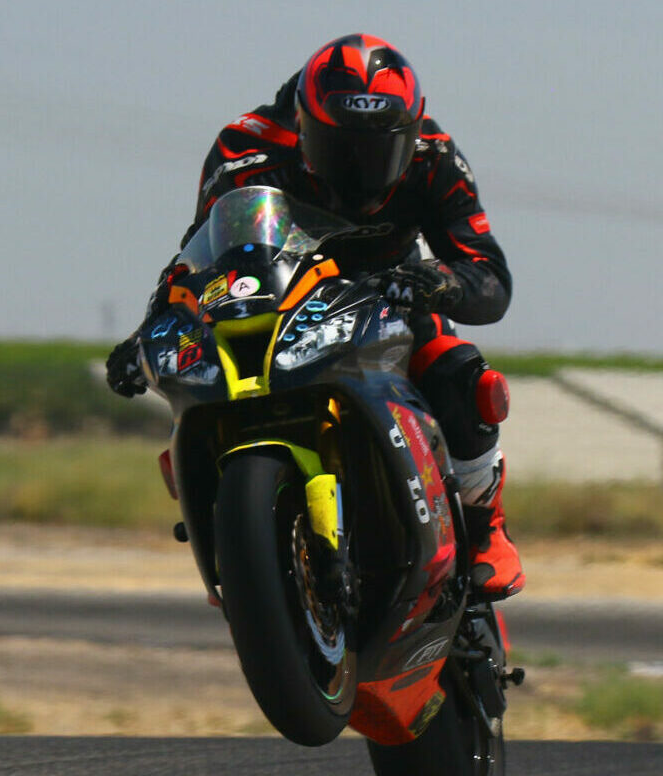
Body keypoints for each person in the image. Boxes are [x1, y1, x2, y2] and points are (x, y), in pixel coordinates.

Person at [104, 33, 523, 599]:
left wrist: (438, 282)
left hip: (388, 298)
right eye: (339, 147)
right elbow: (197, 251)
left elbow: (488, 273)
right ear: (303, 121)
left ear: (410, 132)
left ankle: (484, 528)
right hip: (280, 299)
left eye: (379, 151)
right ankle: (231, 535)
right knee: (198, 383)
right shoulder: (245, 146)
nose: (359, 169)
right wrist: (149, 327)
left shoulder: (436, 155)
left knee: (463, 375)